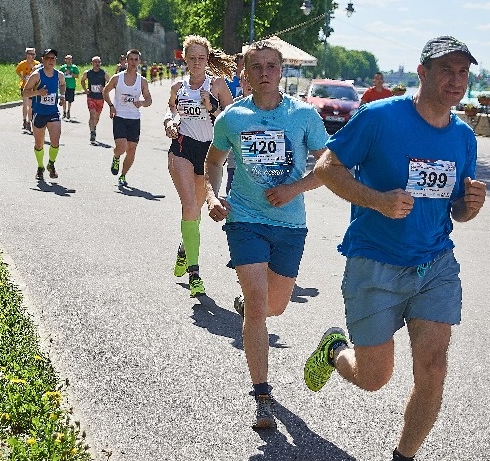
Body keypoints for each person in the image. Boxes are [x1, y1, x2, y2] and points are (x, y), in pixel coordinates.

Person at [305, 35, 487, 461]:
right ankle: (334, 349)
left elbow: (457, 210)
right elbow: (327, 166)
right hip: (374, 265)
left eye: (463, 72)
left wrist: (469, 208)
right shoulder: (380, 117)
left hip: (434, 265)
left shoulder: (464, 138)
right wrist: (378, 200)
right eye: (446, 70)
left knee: (434, 365)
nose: (455, 81)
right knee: (374, 378)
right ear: (422, 72)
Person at [204, 39, 330, 430]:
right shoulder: (232, 118)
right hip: (244, 220)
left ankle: (247, 306)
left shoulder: (304, 116)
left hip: (290, 223)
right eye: (255, 67)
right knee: (260, 308)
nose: (264, 73)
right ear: (244, 73)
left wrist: (295, 188)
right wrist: (212, 194)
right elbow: (213, 160)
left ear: (282, 71)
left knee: (275, 306)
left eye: (271, 66)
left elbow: (329, 165)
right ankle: (262, 397)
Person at [164, 36, 236, 298]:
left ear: (208, 60)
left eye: (201, 58)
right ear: (185, 58)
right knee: (190, 206)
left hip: (211, 154)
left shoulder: (217, 85)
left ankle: (185, 248)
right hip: (182, 149)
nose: (197, 62)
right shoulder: (177, 86)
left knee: (197, 213)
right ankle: (194, 273)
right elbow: (171, 110)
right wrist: (170, 122)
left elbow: (231, 120)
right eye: (192, 58)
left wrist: (212, 106)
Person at [103, 49, 153, 187]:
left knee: (131, 149)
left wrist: (142, 103)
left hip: (134, 119)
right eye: (131, 59)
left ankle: (123, 176)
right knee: (122, 146)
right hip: (119, 116)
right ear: (126, 60)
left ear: (139, 62)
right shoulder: (117, 78)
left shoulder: (142, 81)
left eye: (136, 60)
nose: (133, 62)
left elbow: (149, 100)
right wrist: (111, 105)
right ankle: (116, 156)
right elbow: (105, 91)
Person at [22, 48, 65, 181]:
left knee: (55, 140)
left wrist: (62, 95)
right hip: (39, 113)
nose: (51, 61)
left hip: (53, 112)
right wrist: (38, 93)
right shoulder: (36, 75)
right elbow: (25, 92)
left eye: (53, 59)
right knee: (39, 144)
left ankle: (51, 164)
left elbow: (62, 85)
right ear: (43, 60)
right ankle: (40, 167)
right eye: (48, 58)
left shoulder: (59, 75)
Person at [80, 56, 108, 144]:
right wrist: (85, 89)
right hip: (91, 97)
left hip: (100, 98)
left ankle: (94, 127)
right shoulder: (87, 73)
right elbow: (82, 80)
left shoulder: (103, 73)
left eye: (99, 62)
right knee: (92, 114)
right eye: (95, 62)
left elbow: (111, 82)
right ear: (92, 63)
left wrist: (104, 88)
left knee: (97, 116)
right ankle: (92, 133)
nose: (97, 64)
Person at [15, 48, 39, 132]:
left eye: (33, 54)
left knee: (31, 106)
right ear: (27, 55)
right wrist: (22, 77)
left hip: (33, 88)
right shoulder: (22, 64)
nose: (32, 56)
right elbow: (17, 71)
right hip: (24, 87)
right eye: (30, 54)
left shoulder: (37, 64)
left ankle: (29, 122)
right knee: (25, 104)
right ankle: (24, 120)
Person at [60, 54, 80, 121]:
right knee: (64, 98)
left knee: (70, 100)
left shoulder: (74, 67)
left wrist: (70, 73)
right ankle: (64, 111)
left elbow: (77, 76)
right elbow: (58, 75)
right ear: (65, 60)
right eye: (67, 59)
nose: (69, 60)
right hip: (64, 85)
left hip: (71, 85)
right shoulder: (62, 67)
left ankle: (68, 110)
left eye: (70, 59)